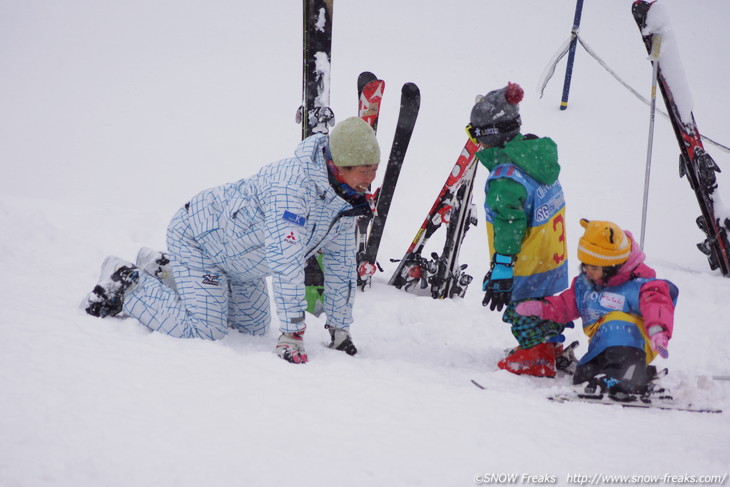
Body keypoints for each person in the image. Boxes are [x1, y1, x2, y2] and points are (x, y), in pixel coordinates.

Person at [83, 116, 380, 364]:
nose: (371, 179)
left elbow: (340, 265)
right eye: (365, 171)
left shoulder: (343, 199)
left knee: (252, 329)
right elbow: (286, 262)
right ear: (340, 165)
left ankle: (165, 269)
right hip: (201, 240)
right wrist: (292, 333)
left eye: (374, 169)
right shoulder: (292, 189)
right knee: (206, 330)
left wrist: (340, 329)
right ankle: (125, 282)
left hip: (242, 261)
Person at [467, 82, 570, 377]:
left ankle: (535, 355)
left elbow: (510, 223)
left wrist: (502, 266)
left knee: (521, 310)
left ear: (489, 136)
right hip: (551, 257)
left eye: (474, 134)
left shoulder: (505, 179)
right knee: (544, 306)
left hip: (526, 263)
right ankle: (549, 345)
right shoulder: (536, 158)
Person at [515, 219, 678, 399]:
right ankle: (630, 375)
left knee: (616, 322)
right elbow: (566, 305)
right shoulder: (585, 285)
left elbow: (657, 303)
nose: (587, 271)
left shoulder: (638, 286)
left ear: (611, 266)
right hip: (603, 346)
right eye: (585, 264)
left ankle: (625, 376)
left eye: (594, 267)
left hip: (635, 344)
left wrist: (658, 330)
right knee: (582, 376)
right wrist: (541, 307)